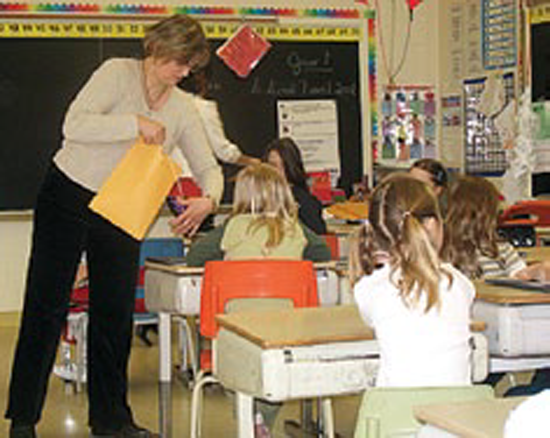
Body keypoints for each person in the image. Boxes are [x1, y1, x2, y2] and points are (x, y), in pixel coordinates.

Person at [6, 15, 224, 438]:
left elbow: (208, 166)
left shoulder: (182, 107)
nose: (183, 72)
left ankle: (111, 421)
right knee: (46, 305)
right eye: (179, 62)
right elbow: (74, 124)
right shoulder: (116, 73)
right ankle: (23, 418)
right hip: (68, 193)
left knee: (115, 314)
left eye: (190, 66)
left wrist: (209, 198)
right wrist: (134, 125)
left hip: (124, 206)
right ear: (158, 49)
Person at [350, 174, 475, 387]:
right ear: (435, 225)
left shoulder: (368, 289)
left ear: (375, 232)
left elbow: (373, 319)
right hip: (455, 415)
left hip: (395, 415)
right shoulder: (460, 283)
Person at [186, 163, 331, 266]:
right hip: (288, 307)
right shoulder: (293, 226)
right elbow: (323, 253)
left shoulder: (233, 225)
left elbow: (194, 257)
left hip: (238, 306)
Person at [441, 176, 526, 279]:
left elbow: (521, 274)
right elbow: (521, 278)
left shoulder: (438, 250)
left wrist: (535, 272)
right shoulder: (500, 250)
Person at [263, 137, 328, 235]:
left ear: (289, 167)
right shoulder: (261, 198)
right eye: (270, 166)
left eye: (276, 166)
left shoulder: (303, 201)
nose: (273, 172)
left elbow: (319, 234)